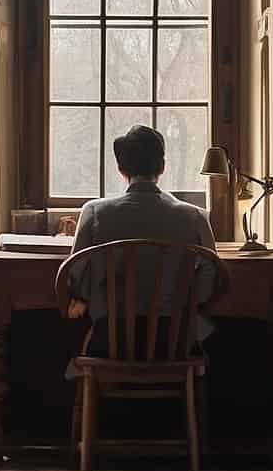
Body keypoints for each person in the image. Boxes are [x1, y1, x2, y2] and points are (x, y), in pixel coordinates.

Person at [63, 125, 217, 366]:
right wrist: (189, 300)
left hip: (111, 339)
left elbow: (75, 273)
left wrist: (88, 295)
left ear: (121, 168)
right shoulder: (194, 216)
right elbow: (211, 274)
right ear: (162, 167)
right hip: (172, 341)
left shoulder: (94, 212)